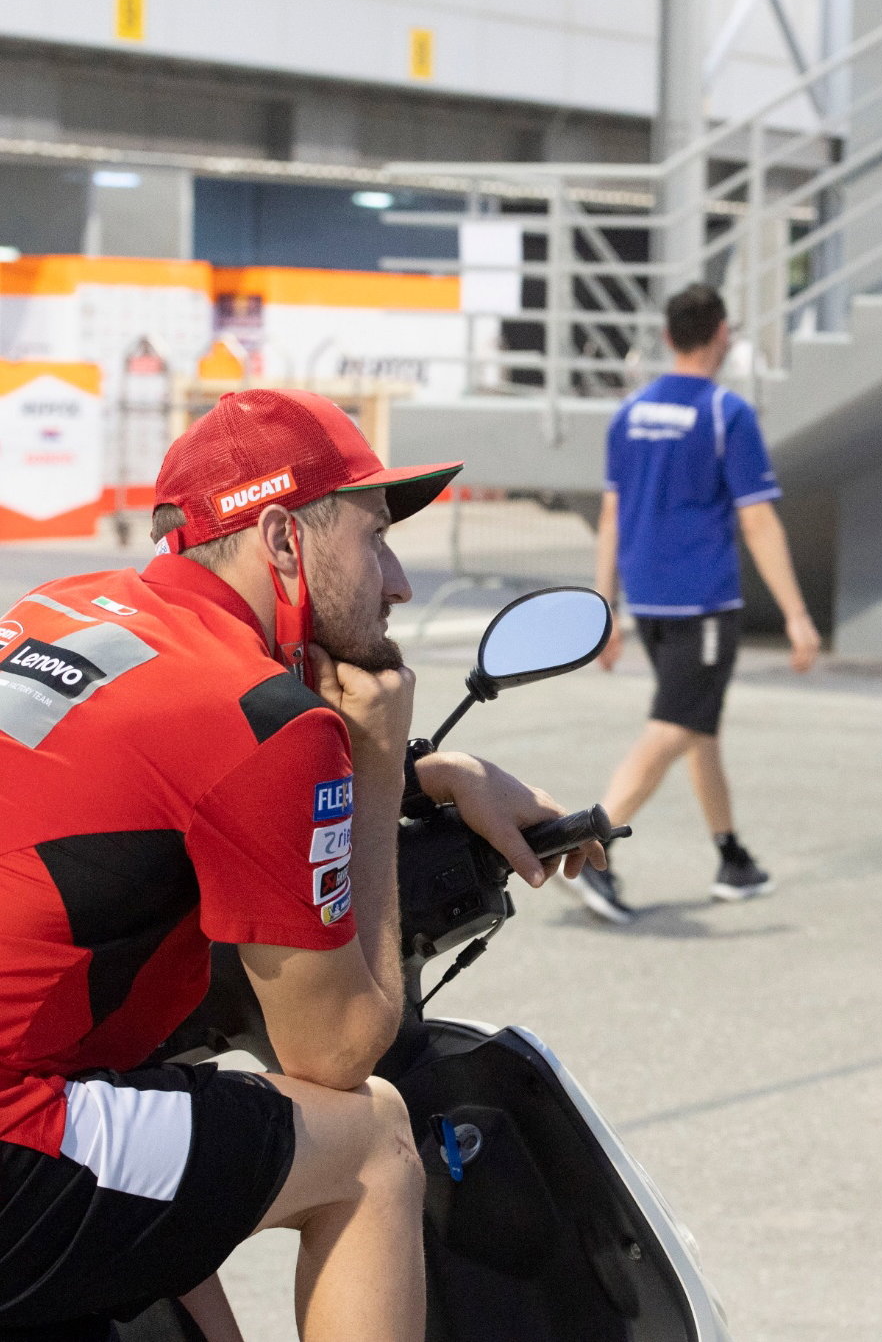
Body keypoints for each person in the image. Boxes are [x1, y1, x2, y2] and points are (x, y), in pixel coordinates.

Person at [0, 389, 602, 1340]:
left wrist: (424, 775)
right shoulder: (264, 718)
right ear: (281, 538)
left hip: (48, 1077)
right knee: (366, 1142)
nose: (398, 581)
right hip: (11, 1140)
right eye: (375, 538)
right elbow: (334, 1048)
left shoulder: (66, 609)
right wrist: (370, 759)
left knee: (186, 1152)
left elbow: (155, 772)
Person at [565, 283, 821, 924]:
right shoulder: (724, 413)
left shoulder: (629, 413)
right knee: (678, 723)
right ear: (720, 336)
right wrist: (796, 614)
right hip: (703, 601)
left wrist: (608, 608)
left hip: (650, 604)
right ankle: (594, 850)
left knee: (699, 725)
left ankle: (731, 856)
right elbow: (759, 522)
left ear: (668, 336)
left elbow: (612, 514)